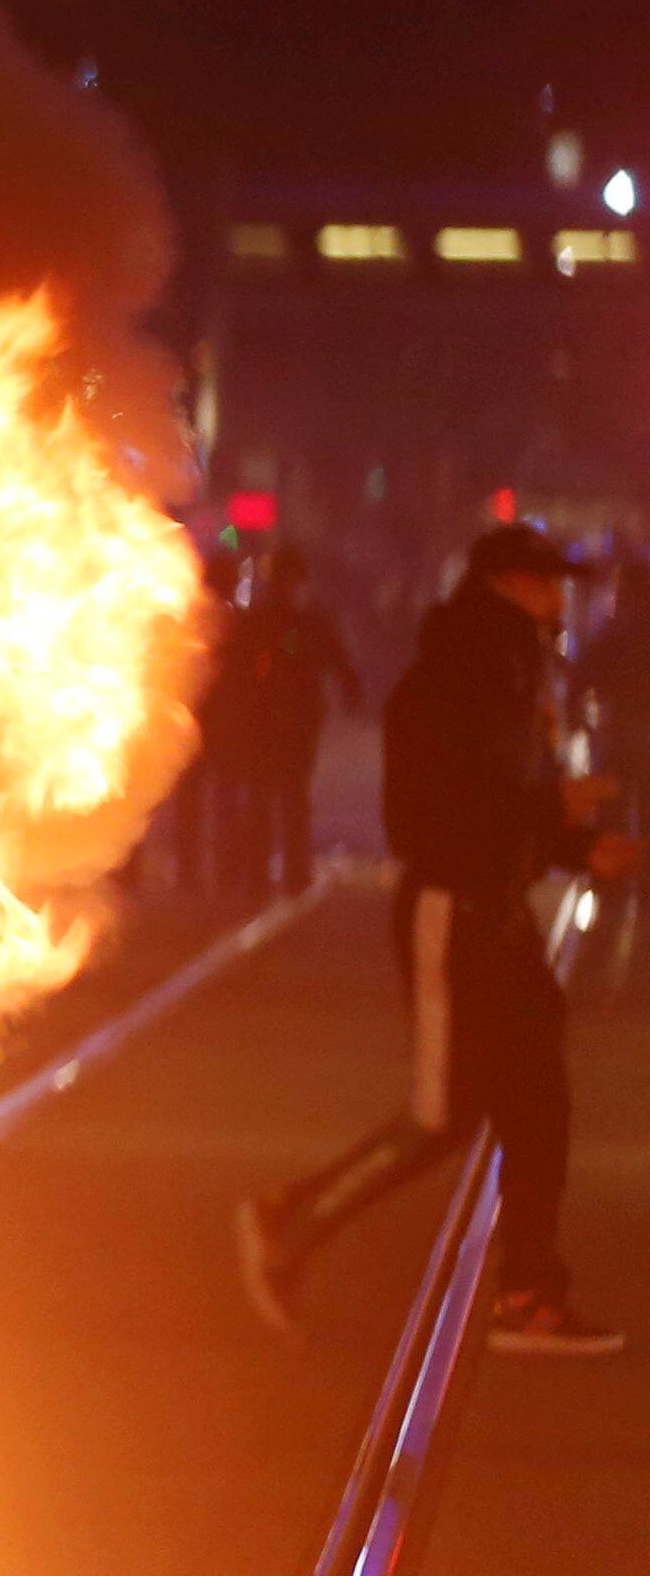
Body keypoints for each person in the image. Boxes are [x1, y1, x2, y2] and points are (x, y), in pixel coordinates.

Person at [241, 518, 631, 1358]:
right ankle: (287, 1219)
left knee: (538, 1102)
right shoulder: (459, 673)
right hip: (452, 912)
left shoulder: (514, 668)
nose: (562, 598)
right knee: (442, 1115)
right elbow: (429, 816)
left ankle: (529, 1292)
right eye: (548, 583)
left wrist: (572, 846)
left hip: (501, 912)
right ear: (508, 585)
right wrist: (552, 815)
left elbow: (507, 796)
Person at [212, 542, 355, 906]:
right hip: (273, 723)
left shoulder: (294, 622)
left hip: (288, 723)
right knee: (272, 799)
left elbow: (338, 663)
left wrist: (349, 690)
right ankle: (272, 873)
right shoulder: (283, 622)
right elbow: (237, 671)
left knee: (284, 798)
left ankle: (286, 872)